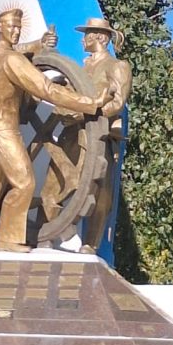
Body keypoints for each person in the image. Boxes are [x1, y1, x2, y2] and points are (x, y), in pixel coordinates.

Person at [0, 7, 113, 253]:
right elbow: (47, 90)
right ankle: (7, 241)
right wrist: (90, 103)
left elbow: (16, 50)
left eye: (18, 27)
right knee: (24, 182)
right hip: (2, 127)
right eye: (11, 27)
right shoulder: (12, 60)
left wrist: (39, 44)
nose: (16, 31)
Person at [41, 17, 132, 252]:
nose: (83, 40)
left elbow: (117, 103)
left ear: (100, 37)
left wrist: (85, 113)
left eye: (87, 35)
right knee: (52, 186)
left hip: (98, 138)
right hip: (70, 135)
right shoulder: (81, 68)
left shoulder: (117, 66)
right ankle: (48, 235)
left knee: (99, 195)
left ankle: (91, 244)